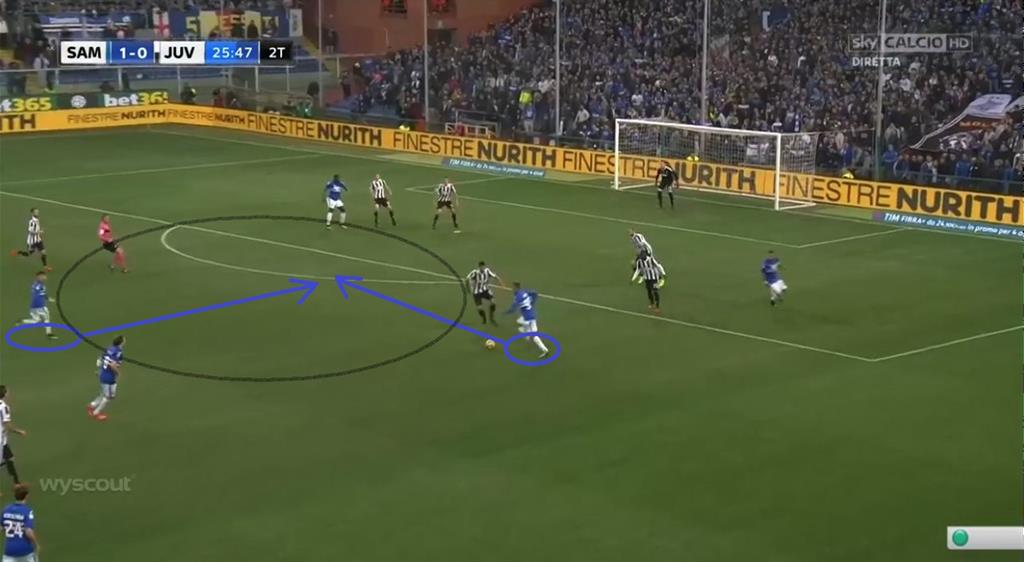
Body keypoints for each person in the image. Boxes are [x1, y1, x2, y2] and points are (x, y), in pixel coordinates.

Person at [505, 282, 550, 358]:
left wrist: (505, 313)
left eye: (513, 287)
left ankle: (545, 350)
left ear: (516, 287)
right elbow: (534, 293)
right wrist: (532, 302)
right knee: (520, 323)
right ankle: (529, 337)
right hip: (531, 315)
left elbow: (512, 309)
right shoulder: (524, 292)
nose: (512, 289)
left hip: (528, 318)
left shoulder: (518, 297)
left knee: (532, 335)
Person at [88, 335, 125, 422]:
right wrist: (119, 373)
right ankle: (96, 413)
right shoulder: (118, 352)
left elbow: (100, 359)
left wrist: (99, 369)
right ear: (121, 342)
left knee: (110, 395)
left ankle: (92, 405)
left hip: (107, 375)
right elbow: (112, 365)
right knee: (107, 397)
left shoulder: (109, 348)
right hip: (108, 376)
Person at [1, 484, 38, 562]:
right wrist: (36, 544)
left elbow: (1, 527)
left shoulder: (6, 509)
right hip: (25, 551)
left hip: (9, 551)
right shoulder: (27, 511)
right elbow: (28, 531)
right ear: (26, 496)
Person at [16, 272, 56, 340]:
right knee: (47, 319)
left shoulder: (34, 284)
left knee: (36, 320)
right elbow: (42, 294)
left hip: (33, 306)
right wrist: (49, 299)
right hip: (40, 306)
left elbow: (38, 293)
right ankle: (49, 334)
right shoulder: (40, 286)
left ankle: (22, 321)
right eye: (43, 276)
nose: (45, 278)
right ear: (39, 277)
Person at [0, 386, 27, 487]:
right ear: (4, 394)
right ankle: (16, 483)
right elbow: (7, 425)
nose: (9, 394)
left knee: (9, 459)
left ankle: (16, 483)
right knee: (6, 460)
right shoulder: (3, 407)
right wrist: (19, 431)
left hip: (2, 440)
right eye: (7, 392)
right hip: (0, 440)